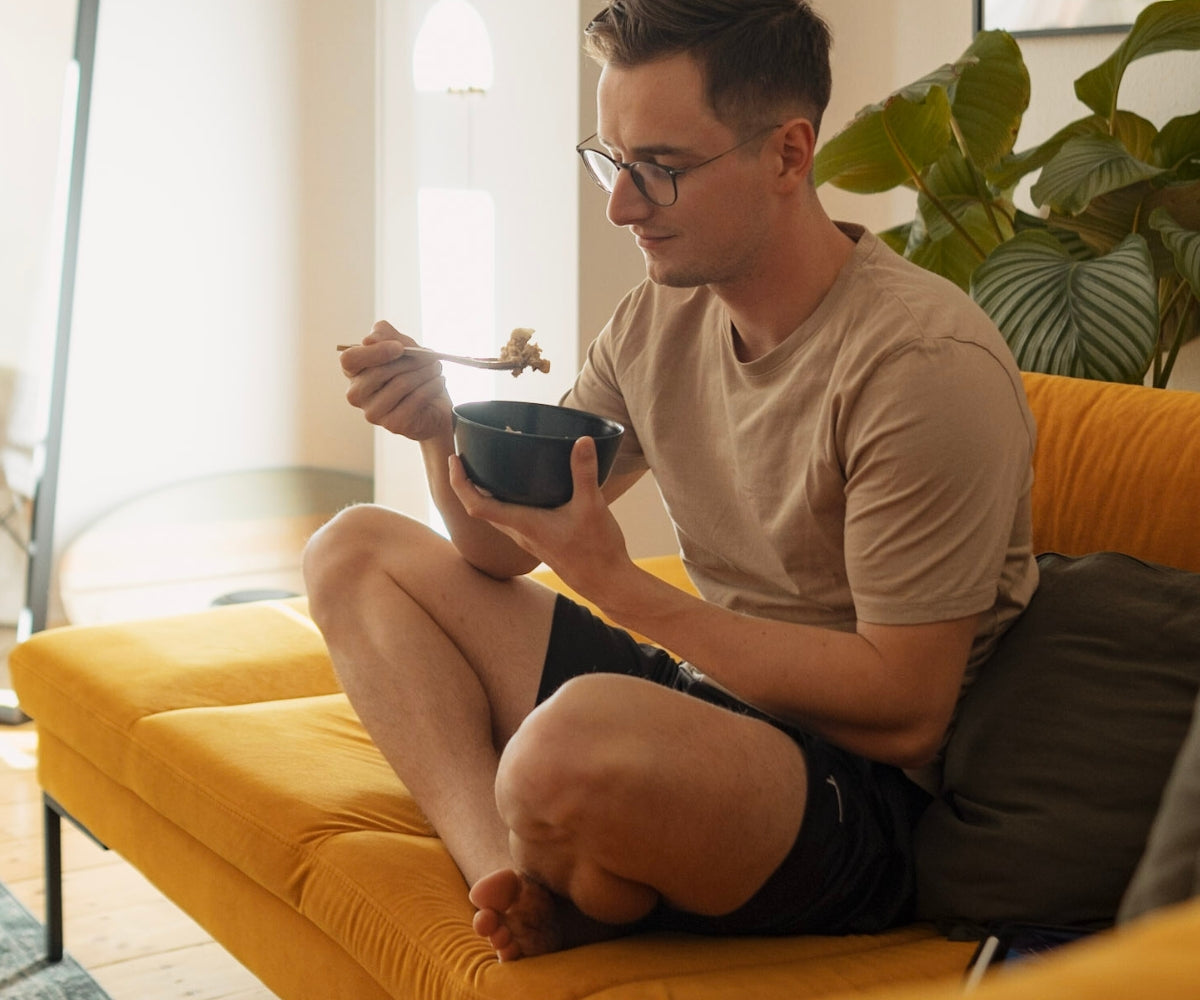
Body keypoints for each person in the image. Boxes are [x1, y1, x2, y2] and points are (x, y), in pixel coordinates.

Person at [304, 0, 1038, 964]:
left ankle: (564, 861)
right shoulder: (660, 319)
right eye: (612, 159)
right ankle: (509, 880)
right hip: (709, 705)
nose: (621, 204)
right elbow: (492, 547)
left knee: (569, 747)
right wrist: (441, 431)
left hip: (860, 793)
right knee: (353, 549)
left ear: (787, 154)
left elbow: (907, 709)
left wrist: (617, 587)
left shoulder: (920, 366)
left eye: (661, 168)